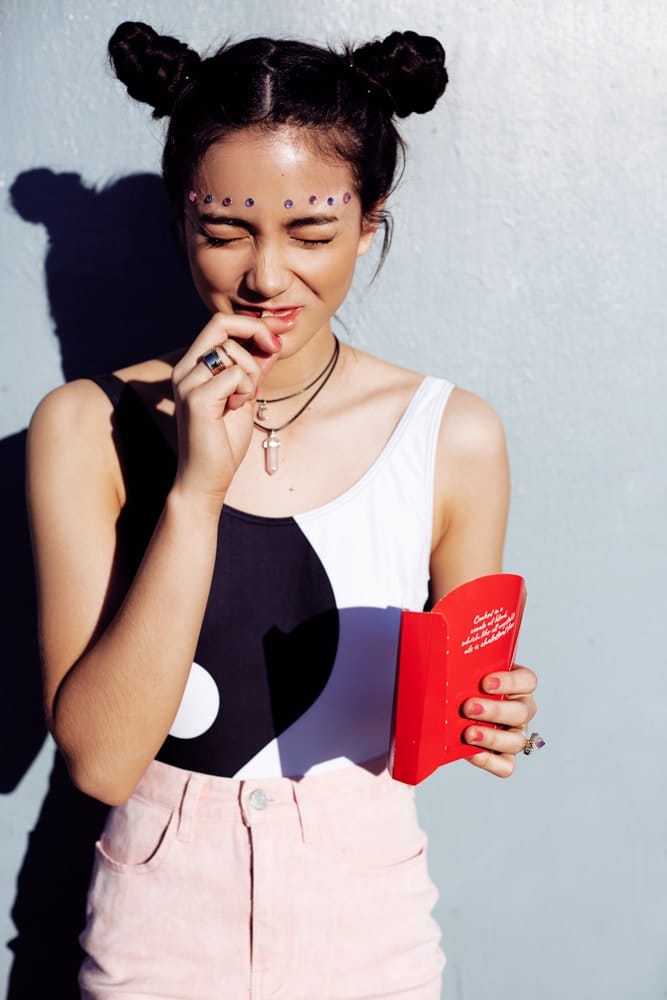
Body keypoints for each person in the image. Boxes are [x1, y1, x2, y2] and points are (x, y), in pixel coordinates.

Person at [26, 20, 540, 1000]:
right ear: (182, 219)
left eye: (311, 233)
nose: (265, 276)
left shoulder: (451, 435)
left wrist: (497, 716)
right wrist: (195, 491)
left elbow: (455, 700)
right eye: (225, 232)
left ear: (369, 220)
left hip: (368, 932)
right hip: (156, 936)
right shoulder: (86, 426)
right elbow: (100, 760)